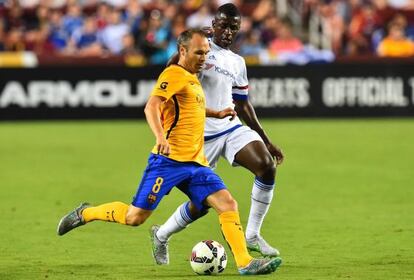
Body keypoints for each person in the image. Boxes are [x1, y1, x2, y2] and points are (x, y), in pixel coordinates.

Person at [56, 28, 281, 275]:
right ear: (182, 51)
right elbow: (151, 107)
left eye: (206, 52)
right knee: (135, 217)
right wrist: (160, 136)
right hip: (168, 162)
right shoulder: (174, 74)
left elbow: (191, 107)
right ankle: (86, 213)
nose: (204, 58)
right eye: (198, 53)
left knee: (227, 204)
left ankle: (245, 262)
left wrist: (216, 113)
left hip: (195, 163)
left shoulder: (193, 76)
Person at [151, 3, 284, 266]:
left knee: (266, 166)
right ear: (214, 24)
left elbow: (243, 103)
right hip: (198, 138)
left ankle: (253, 235)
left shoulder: (237, 62)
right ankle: (162, 234)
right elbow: (170, 70)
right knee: (201, 205)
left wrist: (266, 140)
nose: (227, 31)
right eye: (223, 25)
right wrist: (191, 43)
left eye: (233, 27)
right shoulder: (201, 50)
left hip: (230, 127)